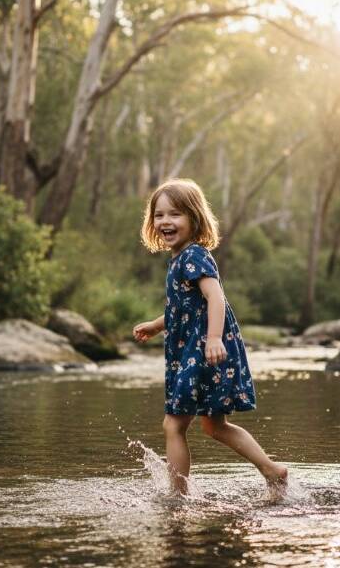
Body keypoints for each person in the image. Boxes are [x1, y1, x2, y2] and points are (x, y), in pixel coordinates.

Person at [132, 178, 288, 495]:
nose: (165, 221)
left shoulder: (193, 256)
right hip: (198, 348)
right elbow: (186, 309)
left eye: (175, 214)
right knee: (214, 426)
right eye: (159, 215)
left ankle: (177, 497)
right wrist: (156, 324)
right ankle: (272, 470)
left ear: (194, 218)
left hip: (203, 350)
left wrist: (214, 339)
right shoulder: (181, 258)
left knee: (173, 425)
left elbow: (215, 298)